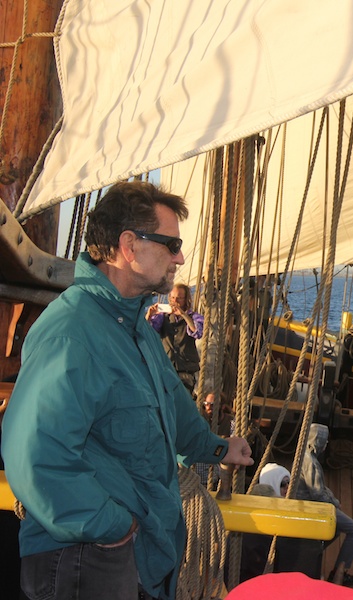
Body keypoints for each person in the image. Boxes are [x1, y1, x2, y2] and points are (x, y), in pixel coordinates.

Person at [0, 181, 255, 600]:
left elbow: (170, 403)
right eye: (171, 244)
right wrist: (113, 525)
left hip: (130, 551)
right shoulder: (73, 331)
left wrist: (217, 448)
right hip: (86, 555)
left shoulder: (134, 330)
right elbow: (34, 455)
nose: (180, 257)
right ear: (129, 245)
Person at [290, 423, 353, 588]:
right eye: (324, 440)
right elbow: (317, 494)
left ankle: (313, 552)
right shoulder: (311, 463)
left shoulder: (304, 456)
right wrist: (335, 503)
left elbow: (319, 488)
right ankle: (339, 573)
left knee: (335, 528)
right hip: (313, 506)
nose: (326, 444)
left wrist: (332, 499)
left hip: (308, 502)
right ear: (317, 442)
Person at [146, 282, 204, 392]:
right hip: (166, 368)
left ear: (186, 299)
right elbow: (147, 331)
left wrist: (183, 315)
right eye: (172, 298)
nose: (175, 301)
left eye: (179, 298)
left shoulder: (194, 317)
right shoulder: (162, 317)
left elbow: (197, 332)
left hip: (186, 371)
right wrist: (149, 316)